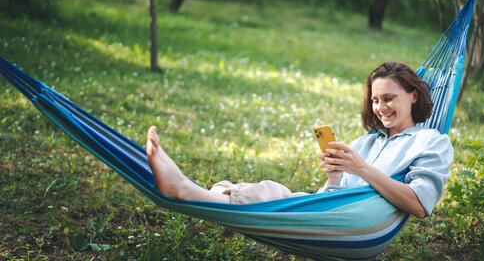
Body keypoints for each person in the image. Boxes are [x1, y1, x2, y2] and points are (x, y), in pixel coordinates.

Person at [146, 62, 453, 218]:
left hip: (357, 222)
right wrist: (335, 177)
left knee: (272, 193)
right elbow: (331, 196)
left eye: (389, 98)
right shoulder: (365, 143)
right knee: (273, 192)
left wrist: (361, 170)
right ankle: (201, 192)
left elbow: (420, 204)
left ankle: (184, 189)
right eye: (375, 100)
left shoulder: (431, 142)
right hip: (332, 213)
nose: (381, 108)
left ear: (413, 96)